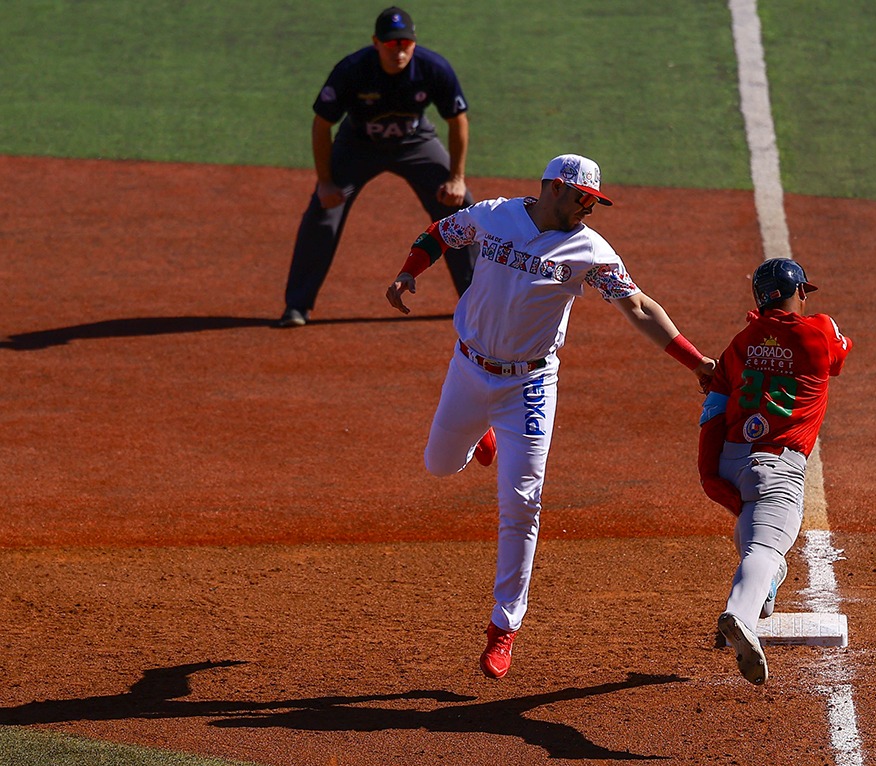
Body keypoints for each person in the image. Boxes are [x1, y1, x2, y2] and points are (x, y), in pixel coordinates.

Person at [386, 153, 715, 679]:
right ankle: (482, 440)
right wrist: (407, 273)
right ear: (554, 188)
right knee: (440, 465)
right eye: (585, 197)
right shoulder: (494, 215)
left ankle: (503, 627)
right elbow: (442, 232)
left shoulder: (590, 249)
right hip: (469, 370)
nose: (591, 208)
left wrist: (695, 361)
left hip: (530, 385)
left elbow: (638, 306)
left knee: (522, 504)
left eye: (595, 201)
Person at [697, 258, 852, 685]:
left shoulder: (741, 341)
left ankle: (763, 595)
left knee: (760, 544)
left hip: (732, 460)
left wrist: (708, 472)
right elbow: (838, 356)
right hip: (776, 465)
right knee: (763, 550)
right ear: (798, 291)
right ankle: (741, 616)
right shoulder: (817, 330)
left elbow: (713, 408)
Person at [278, 7, 475, 328]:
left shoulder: (432, 68)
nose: (398, 50)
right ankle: (297, 306)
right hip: (357, 145)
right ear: (376, 43)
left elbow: (458, 120)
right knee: (322, 213)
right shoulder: (352, 70)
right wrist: (325, 182)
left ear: (414, 43)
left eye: (405, 44)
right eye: (390, 43)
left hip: (415, 142)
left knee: (459, 207)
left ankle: (476, 300)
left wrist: (456, 178)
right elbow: (321, 124)